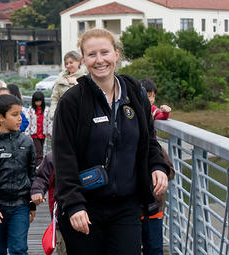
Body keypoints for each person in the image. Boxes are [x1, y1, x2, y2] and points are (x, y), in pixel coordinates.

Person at [52, 28, 169, 255]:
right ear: (83, 60)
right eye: (92, 55)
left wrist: (157, 166)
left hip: (126, 206)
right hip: (84, 207)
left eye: (104, 52)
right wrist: (74, 204)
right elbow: (63, 157)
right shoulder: (73, 101)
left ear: (116, 54)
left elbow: (148, 141)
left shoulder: (134, 92)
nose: (99, 60)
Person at [0, 94, 37, 255]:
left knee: (19, 248)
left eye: (21, 114)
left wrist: (31, 204)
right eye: (15, 114)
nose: (20, 119)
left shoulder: (27, 142)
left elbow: (32, 174)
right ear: (1, 118)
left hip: (21, 206)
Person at [140, 79, 172, 255]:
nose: (151, 99)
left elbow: (160, 115)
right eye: (148, 96)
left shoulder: (152, 111)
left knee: (154, 247)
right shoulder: (131, 111)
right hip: (134, 206)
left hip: (153, 206)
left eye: (153, 96)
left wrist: (165, 112)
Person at [30, 152, 67, 255]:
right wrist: (37, 191)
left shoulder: (90, 150)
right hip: (62, 216)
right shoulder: (53, 156)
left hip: (92, 216)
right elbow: (41, 178)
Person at [50, 51, 87, 120]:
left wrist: (76, 83)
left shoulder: (85, 78)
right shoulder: (60, 79)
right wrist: (54, 115)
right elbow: (55, 98)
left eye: (71, 62)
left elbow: (87, 98)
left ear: (79, 62)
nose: (68, 66)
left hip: (80, 118)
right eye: (66, 63)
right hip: (62, 118)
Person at [25, 91, 52, 166]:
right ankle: (39, 165)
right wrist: (28, 132)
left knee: (43, 149)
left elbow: (49, 122)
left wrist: (49, 132)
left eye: (39, 101)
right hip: (35, 133)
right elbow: (29, 121)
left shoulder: (46, 110)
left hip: (43, 133)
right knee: (39, 150)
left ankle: (38, 164)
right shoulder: (31, 110)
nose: (38, 103)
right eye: (36, 101)